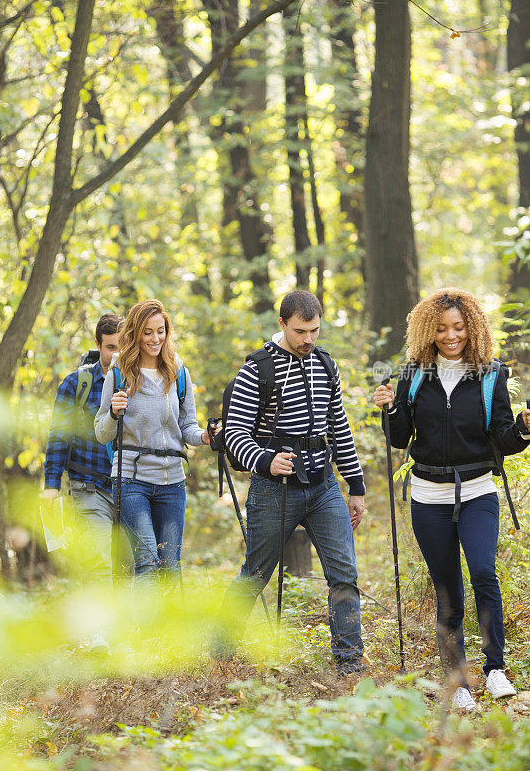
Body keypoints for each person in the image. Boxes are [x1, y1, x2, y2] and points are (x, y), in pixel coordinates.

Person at [373, 288, 530, 710]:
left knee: (483, 572)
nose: (450, 336)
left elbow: (502, 438)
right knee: (447, 589)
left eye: (458, 327)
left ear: (472, 327)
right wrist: (388, 409)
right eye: (441, 328)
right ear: (428, 330)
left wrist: (525, 426)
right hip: (428, 496)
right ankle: (456, 678)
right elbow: (399, 439)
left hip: (478, 489)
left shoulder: (490, 374)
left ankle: (494, 668)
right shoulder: (412, 375)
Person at [217, 290, 366, 675]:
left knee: (344, 573)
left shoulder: (326, 365)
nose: (309, 339)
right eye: (301, 331)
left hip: (323, 485)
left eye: (315, 330)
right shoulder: (257, 370)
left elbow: (340, 427)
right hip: (272, 489)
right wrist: (267, 460)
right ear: (282, 324)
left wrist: (356, 486)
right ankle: (218, 650)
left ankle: (350, 664)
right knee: (256, 573)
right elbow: (234, 434)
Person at [94, 299, 215, 582]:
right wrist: (113, 412)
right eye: (147, 332)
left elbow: (187, 428)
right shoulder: (119, 371)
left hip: (172, 482)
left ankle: (166, 628)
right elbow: (102, 432)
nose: (155, 338)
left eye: (160, 331)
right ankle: (144, 629)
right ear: (136, 333)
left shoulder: (178, 371)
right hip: (131, 480)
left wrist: (206, 437)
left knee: (170, 567)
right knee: (147, 562)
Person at [43, 313, 123, 652]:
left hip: (130, 486)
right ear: (98, 345)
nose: (117, 355)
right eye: (111, 348)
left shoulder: (139, 379)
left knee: (134, 562)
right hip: (87, 484)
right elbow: (59, 434)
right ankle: (100, 635)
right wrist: (51, 484)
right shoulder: (76, 384)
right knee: (99, 559)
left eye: (123, 347)